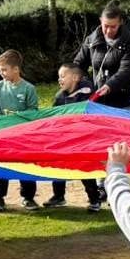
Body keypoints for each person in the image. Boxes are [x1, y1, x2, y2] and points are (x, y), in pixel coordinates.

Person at [46, 63, 104, 212]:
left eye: (63, 76)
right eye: (59, 76)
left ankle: (94, 199)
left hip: (83, 140)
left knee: (85, 168)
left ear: (75, 77)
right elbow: (54, 116)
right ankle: (58, 196)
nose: (60, 79)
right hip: (64, 139)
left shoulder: (88, 93)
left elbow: (94, 113)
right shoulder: (59, 97)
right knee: (58, 166)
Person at [0, 49, 42, 211]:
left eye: (4, 69)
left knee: (25, 164)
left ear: (16, 69)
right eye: (0, 70)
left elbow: (34, 111)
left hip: (23, 135)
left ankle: (28, 198)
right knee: (1, 165)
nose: (1, 73)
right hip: (3, 134)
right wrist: (0, 115)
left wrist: (16, 115)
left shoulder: (28, 89)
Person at [72, 1, 130, 109]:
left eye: (113, 27)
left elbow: (126, 69)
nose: (108, 31)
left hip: (122, 101)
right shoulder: (91, 39)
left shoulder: (129, 42)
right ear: (100, 21)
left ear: (120, 23)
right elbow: (78, 64)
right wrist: (86, 84)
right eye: (106, 26)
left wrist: (110, 85)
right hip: (97, 100)